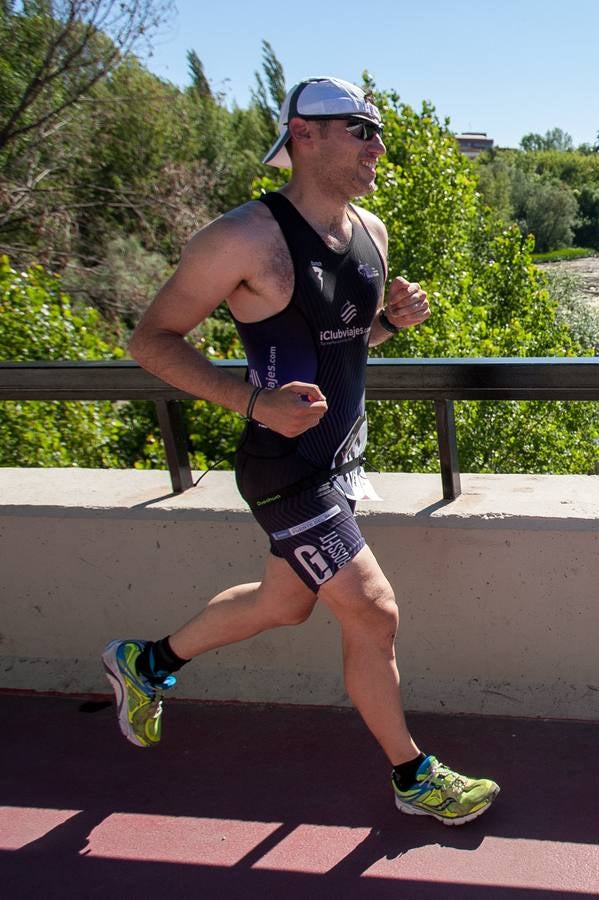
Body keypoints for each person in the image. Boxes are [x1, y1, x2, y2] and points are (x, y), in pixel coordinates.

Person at [101, 75, 497, 826]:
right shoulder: (242, 238)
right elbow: (150, 340)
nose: (377, 144)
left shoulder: (371, 232)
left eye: (377, 131)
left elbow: (347, 342)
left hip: (341, 463)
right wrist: (253, 403)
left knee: (283, 606)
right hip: (283, 469)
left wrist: (395, 323)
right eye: (360, 128)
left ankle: (145, 664)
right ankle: (413, 777)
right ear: (304, 135)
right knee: (373, 613)